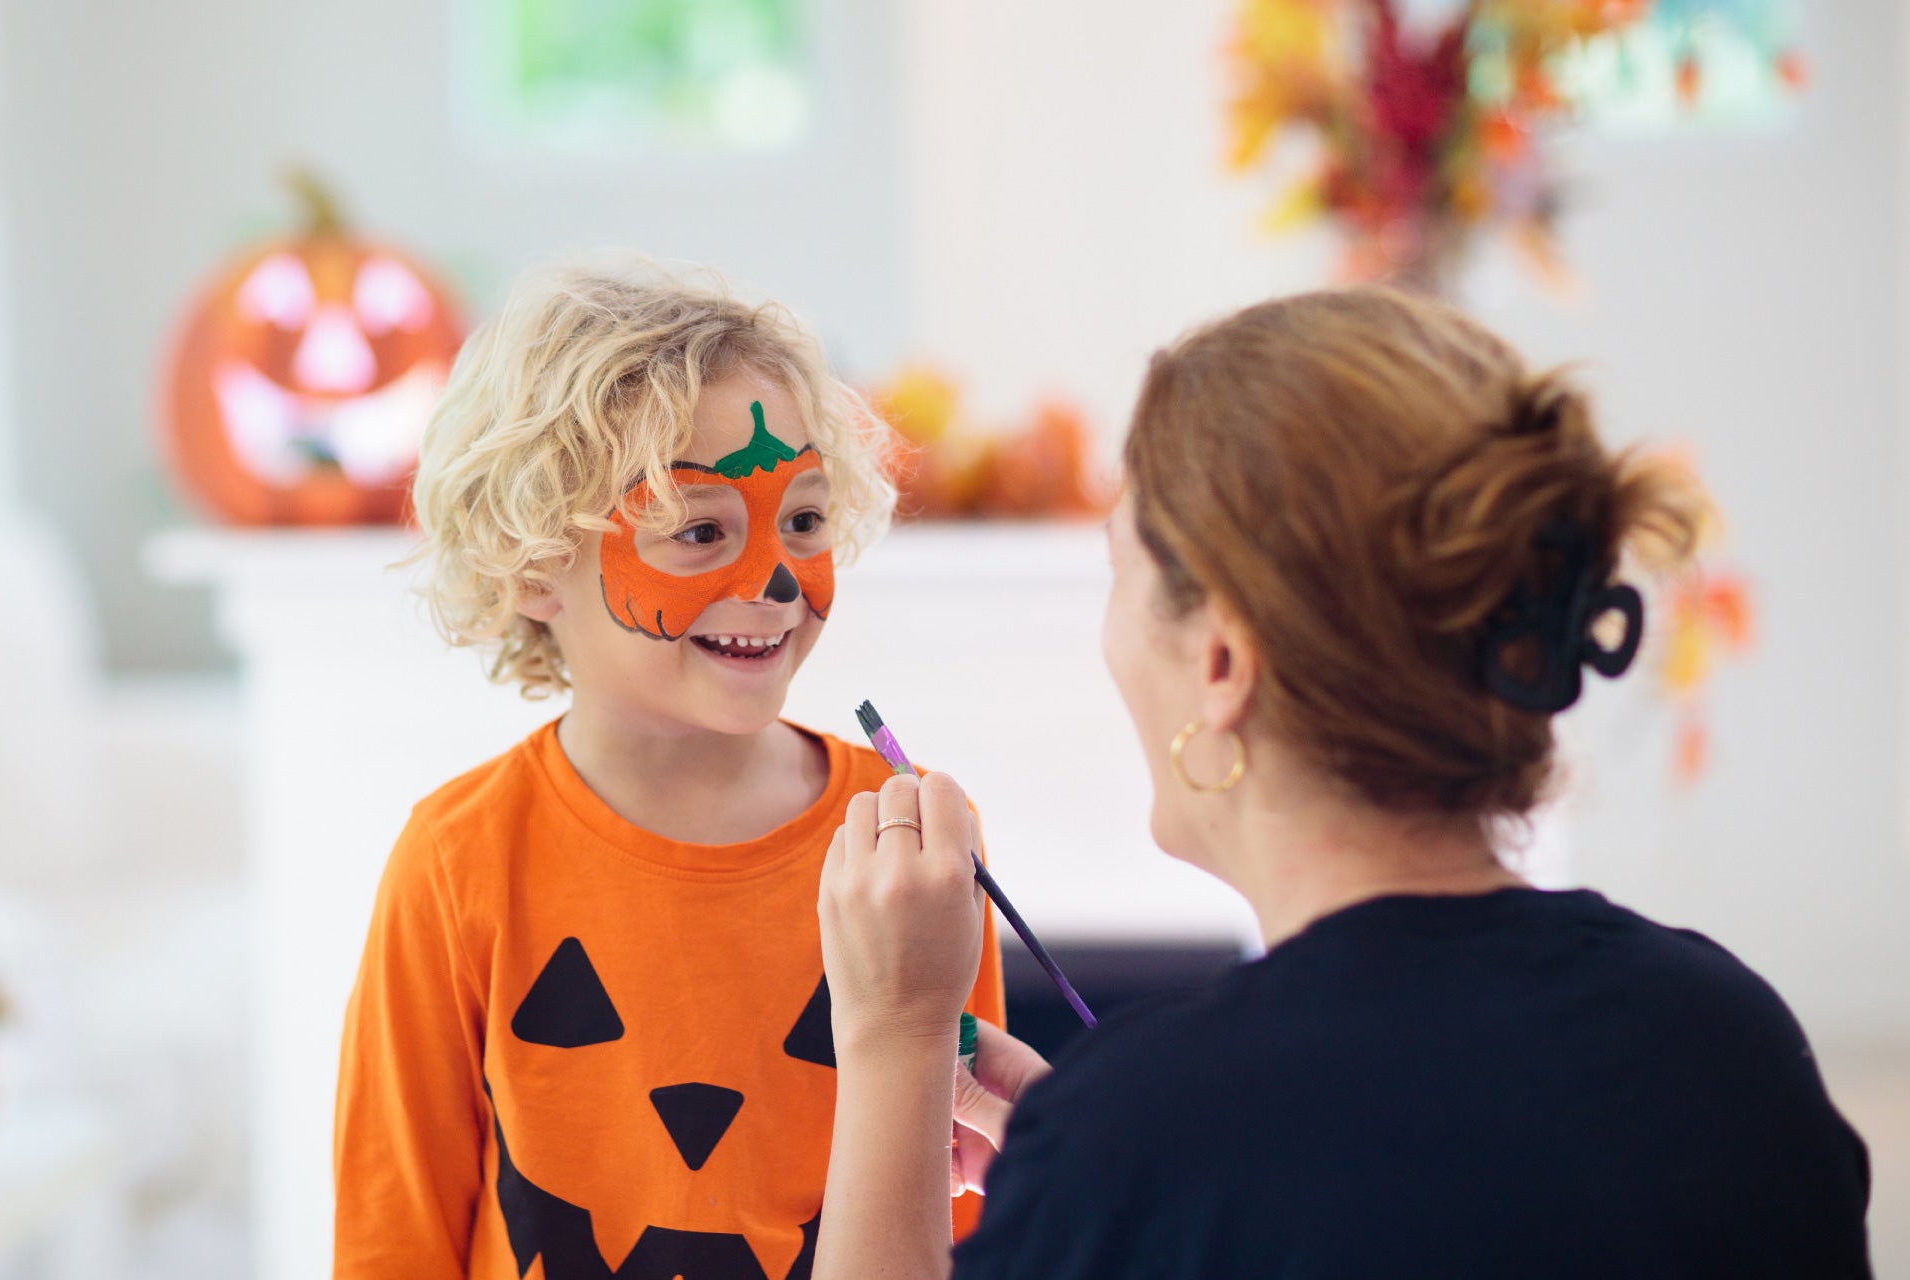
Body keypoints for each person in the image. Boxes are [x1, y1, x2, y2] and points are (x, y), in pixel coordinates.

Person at [811, 287, 1874, 1279]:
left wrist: (900, 1047)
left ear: (1222, 661)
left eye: (1119, 570)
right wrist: (1095, 1176)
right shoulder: (1728, 1042)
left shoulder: (1141, 1146)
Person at [331, 258, 1007, 1279]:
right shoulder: (457, 859)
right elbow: (394, 1237)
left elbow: (962, 1215)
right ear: (532, 567)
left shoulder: (900, 849)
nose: (776, 580)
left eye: (804, 521)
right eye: (698, 530)